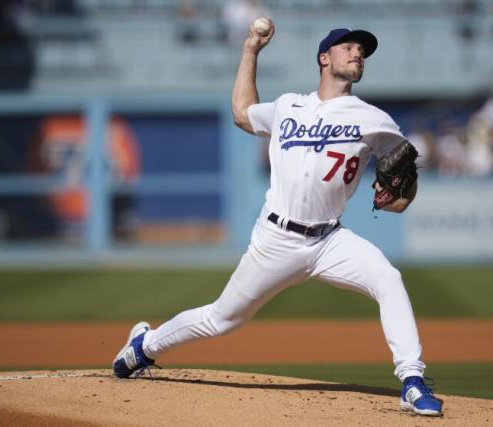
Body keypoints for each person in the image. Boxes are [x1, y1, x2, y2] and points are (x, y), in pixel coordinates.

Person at [113, 21, 443, 417]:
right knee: (221, 319)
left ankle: (412, 380)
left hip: (329, 241)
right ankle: (143, 347)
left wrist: (402, 192)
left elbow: (401, 193)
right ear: (324, 57)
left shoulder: (374, 119)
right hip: (276, 239)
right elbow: (241, 114)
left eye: (362, 51)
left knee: (387, 278)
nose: (358, 53)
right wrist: (251, 50)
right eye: (349, 47)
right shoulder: (288, 105)